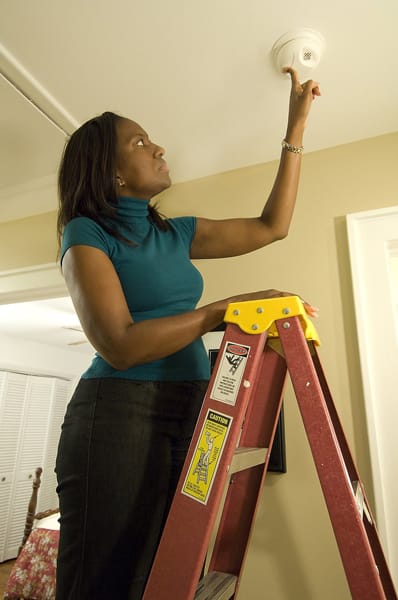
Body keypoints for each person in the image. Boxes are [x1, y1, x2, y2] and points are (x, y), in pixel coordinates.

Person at [55, 67, 320, 599]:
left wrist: (296, 127)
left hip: (195, 403)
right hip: (118, 410)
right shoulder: (84, 232)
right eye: (139, 141)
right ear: (113, 176)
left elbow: (273, 226)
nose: (157, 147)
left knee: (166, 570)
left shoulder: (174, 233)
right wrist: (220, 312)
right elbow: (120, 346)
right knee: (104, 579)